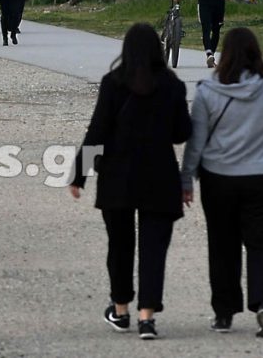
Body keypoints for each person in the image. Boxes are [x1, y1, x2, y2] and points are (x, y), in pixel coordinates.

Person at [180, 27, 263, 338]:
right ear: (257, 51)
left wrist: (187, 178)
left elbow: (195, 142)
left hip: (218, 178)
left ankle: (224, 313)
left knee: (222, 245)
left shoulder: (209, 90)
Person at [69, 23, 192, 341]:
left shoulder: (113, 83)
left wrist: (79, 174)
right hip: (159, 175)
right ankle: (147, 317)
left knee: (120, 246)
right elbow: (181, 133)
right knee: (154, 250)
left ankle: (121, 310)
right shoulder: (172, 85)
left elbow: (97, 130)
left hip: (118, 176)